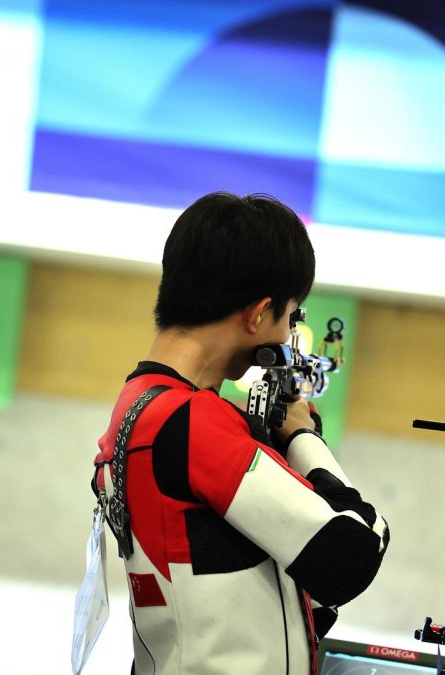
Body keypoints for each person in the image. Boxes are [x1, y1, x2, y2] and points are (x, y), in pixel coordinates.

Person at [91, 192, 390, 674]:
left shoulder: (140, 402)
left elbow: (274, 597)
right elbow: (351, 555)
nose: (287, 336)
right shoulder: (193, 423)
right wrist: (303, 437)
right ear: (257, 314)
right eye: (290, 318)